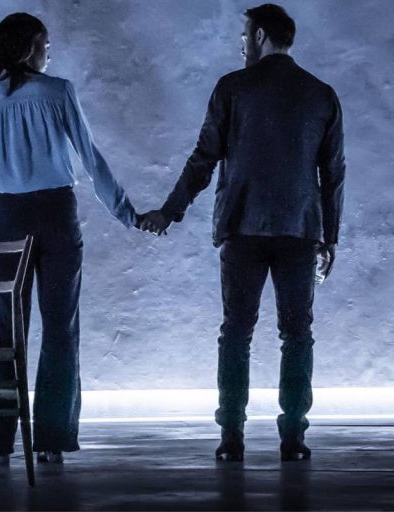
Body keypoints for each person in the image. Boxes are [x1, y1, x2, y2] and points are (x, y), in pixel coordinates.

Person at [138, 4, 345, 461]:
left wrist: (170, 212)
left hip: (242, 226)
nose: (241, 44)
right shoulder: (321, 94)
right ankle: (294, 437)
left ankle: (231, 436)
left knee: (236, 331)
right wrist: (330, 238)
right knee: (298, 333)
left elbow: (203, 159)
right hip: (299, 229)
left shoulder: (232, 87)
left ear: (261, 36)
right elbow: (332, 174)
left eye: (244, 35)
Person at [0, 13, 141, 464]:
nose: (49, 53)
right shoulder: (58, 91)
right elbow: (90, 158)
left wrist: (8, 167)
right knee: (60, 327)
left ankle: (0, 443)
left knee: (6, 332)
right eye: (45, 44)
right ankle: (52, 441)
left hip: (6, 214)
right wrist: (126, 212)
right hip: (57, 213)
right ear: (28, 48)